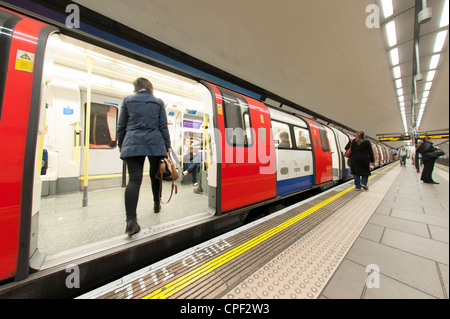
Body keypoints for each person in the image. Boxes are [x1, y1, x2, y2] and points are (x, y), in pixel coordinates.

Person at [117, 77, 171, 236]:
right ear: (150, 88)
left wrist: (121, 144)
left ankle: (131, 221)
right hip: (155, 142)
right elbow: (163, 127)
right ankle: (156, 204)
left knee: (134, 180)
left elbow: (121, 126)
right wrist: (167, 146)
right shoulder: (158, 102)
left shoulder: (127, 101)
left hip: (133, 141)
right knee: (156, 175)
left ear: (136, 88)